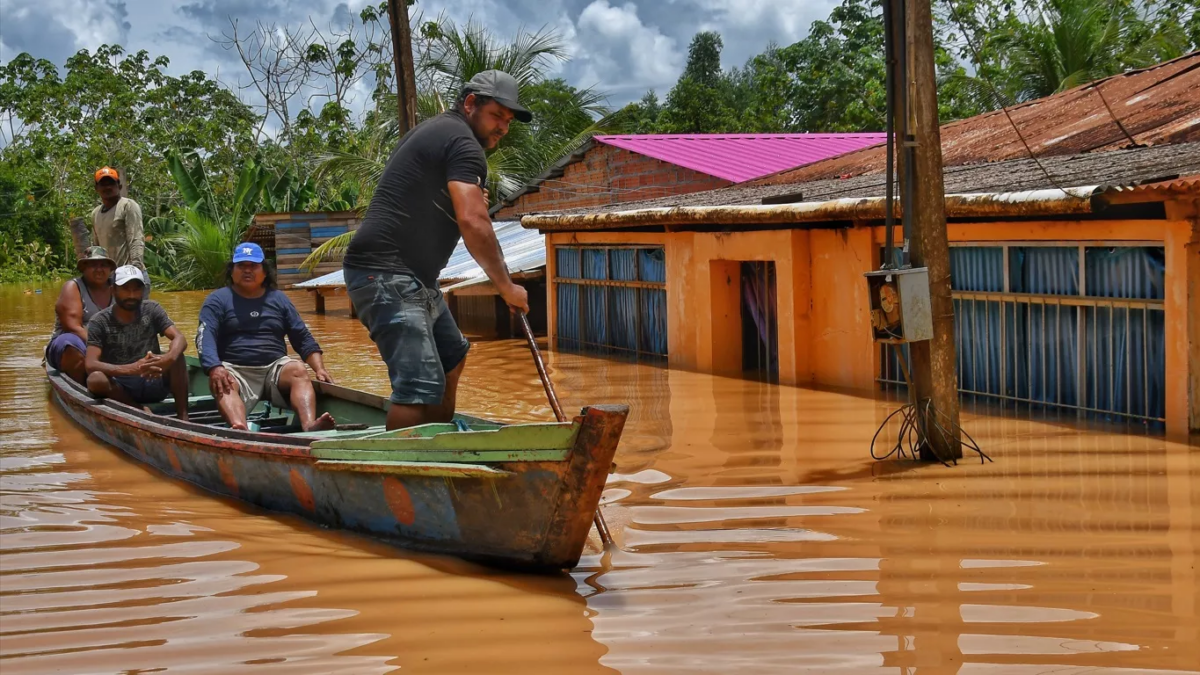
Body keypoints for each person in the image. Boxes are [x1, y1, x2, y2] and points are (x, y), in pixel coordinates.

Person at [342, 70, 532, 430]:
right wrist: (506, 287)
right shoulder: (462, 142)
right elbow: (475, 222)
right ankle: (402, 477)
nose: (503, 128)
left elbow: (426, 193)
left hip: (413, 277)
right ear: (470, 103)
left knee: (452, 358)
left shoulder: (443, 132)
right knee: (418, 386)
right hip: (386, 273)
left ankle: (441, 446)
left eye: (508, 121)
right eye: (497, 116)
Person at [197, 243, 336, 432]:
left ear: (264, 272)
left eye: (253, 266)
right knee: (223, 381)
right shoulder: (217, 300)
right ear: (232, 271)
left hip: (274, 368)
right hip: (235, 369)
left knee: (297, 369)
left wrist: (320, 369)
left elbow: (302, 337)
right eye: (241, 266)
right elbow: (206, 338)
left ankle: (309, 425)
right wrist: (214, 367)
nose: (247, 270)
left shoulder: (279, 299)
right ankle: (240, 427)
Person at [84, 265, 188, 420]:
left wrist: (167, 359)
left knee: (178, 356)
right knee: (96, 380)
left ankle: (183, 416)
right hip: (122, 389)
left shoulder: (152, 309)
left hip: (154, 380)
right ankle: (138, 410)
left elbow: (179, 337)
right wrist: (131, 369)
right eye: (125, 289)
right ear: (113, 291)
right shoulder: (99, 321)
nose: (131, 295)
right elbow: (91, 364)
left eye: (136, 289)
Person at [46, 246, 115, 383]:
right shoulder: (73, 287)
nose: (99, 269)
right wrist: (104, 348)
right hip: (77, 343)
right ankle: (84, 385)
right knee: (69, 343)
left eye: (103, 265)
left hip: (109, 343)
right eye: (93, 265)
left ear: (110, 269)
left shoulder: (118, 287)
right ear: (84, 268)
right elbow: (73, 327)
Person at [91, 166, 147, 290]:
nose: (107, 187)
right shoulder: (95, 214)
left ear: (119, 186)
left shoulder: (128, 206)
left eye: (111, 183)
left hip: (130, 275)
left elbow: (136, 239)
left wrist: (135, 273)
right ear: (96, 189)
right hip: (110, 279)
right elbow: (96, 247)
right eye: (103, 184)